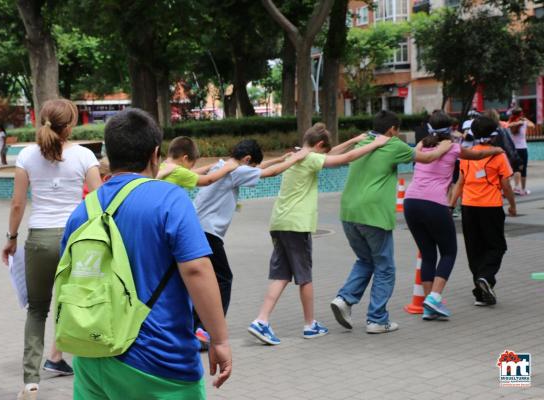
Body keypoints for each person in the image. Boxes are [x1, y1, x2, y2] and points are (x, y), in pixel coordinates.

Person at [62, 108, 232, 399]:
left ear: (109, 155)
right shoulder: (169, 199)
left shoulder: (84, 210)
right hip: (158, 362)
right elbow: (197, 270)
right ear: (155, 154)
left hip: (92, 359)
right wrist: (220, 340)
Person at [248, 123, 390, 346]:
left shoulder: (298, 155)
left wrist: (354, 140)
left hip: (279, 222)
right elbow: (344, 159)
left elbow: (330, 155)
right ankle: (309, 325)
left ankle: (261, 320)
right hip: (297, 225)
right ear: (320, 144)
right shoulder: (311, 158)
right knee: (304, 277)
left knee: (282, 275)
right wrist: (375, 143)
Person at [1, 99, 102, 400]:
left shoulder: (26, 155)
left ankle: (31, 383)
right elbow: (98, 198)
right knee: (80, 304)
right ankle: (90, 379)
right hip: (75, 240)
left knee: (37, 311)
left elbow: (18, 203)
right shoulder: (85, 155)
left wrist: (11, 238)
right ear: (70, 126)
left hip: (39, 240)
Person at [330, 110, 452, 334]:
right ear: (392, 130)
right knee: (385, 267)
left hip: (348, 213)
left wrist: (356, 139)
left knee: (366, 260)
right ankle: (377, 319)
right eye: (397, 130)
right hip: (373, 215)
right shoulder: (392, 145)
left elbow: (331, 154)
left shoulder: (364, 142)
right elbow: (426, 158)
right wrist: (446, 145)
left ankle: (344, 299)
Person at [192, 139, 310, 347]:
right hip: (208, 232)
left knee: (203, 280)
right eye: (252, 164)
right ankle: (208, 330)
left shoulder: (223, 165)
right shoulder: (237, 171)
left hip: (195, 229)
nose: (253, 169)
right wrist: (298, 158)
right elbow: (270, 173)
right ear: (246, 159)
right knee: (224, 279)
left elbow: (257, 169)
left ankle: (196, 328)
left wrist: (282, 158)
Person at [403, 111, 504, 320]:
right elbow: (476, 154)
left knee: (428, 253)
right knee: (448, 252)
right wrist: (496, 149)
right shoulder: (452, 148)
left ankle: (429, 304)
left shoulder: (422, 145)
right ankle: (434, 298)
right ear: (449, 129)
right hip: (434, 204)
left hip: (411, 202)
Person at [450, 116, 517, 307]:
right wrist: (512, 205)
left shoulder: (467, 154)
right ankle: (486, 277)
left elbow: (460, 183)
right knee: (497, 247)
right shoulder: (498, 155)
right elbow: (506, 185)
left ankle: (481, 294)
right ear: (494, 135)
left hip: (469, 207)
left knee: (475, 249)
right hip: (491, 207)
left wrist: (450, 205)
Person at [157, 136, 240, 188]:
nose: (191, 168)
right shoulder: (178, 172)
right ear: (185, 158)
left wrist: (209, 167)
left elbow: (190, 172)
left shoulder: (165, 165)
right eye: (192, 164)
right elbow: (208, 180)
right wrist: (227, 167)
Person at [507, 107, 534, 196]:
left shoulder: (510, 123)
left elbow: (507, 126)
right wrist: (524, 119)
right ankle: (522, 189)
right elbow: (532, 125)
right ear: (521, 114)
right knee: (523, 169)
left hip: (512, 149)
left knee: (513, 169)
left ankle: (513, 188)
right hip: (522, 149)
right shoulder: (524, 123)